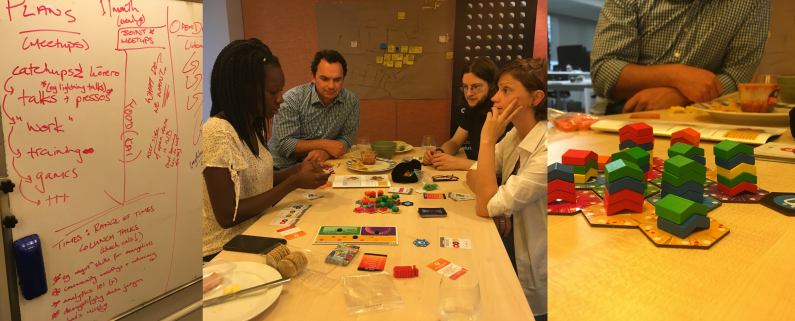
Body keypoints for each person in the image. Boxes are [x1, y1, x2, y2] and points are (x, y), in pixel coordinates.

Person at [202, 39, 331, 261]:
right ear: (245, 91)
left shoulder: (250, 126)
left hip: (255, 233)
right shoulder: (217, 132)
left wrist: (295, 171)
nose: (280, 99)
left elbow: (254, 181)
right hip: (222, 252)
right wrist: (293, 183)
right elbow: (227, 215)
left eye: (280, 90)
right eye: (273, 92)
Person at [466, 58, 548, 321]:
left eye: (506, 90)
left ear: (535, 98)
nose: (495, 98)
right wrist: (499, 205)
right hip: (508, 250)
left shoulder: (548, 149)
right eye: (498, 90)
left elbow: (483, 205)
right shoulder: (515, 134)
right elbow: (473, 174)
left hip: (538, 275)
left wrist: (487, 139)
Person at [590, 0, 770, 115]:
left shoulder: (751, 3)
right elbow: (603, 73)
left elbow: (739, 76)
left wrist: (679, 97)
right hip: (618, 117)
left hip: (700, 119)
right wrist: (675, 75)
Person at [268, 49, 360, 169]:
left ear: (343, 80)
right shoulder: (292, 99)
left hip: (320, 167)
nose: (331, 86)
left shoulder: (351, 101)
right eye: (325, 79)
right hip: (280, 169)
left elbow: (346, 139)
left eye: (337, 80)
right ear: (313, 76)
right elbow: (284, 145)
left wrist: (325, 153)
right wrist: (325, 144)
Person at [423, 57, 514, 170]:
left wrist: (458, 163)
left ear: (492, 85)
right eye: (465, 87)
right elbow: (455, 142)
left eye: (476, 87)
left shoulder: (504, 114)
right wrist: (439, 152)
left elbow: (502, 167)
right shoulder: (473, 109)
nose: (469, 93)